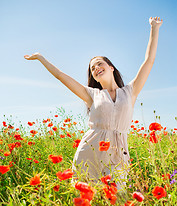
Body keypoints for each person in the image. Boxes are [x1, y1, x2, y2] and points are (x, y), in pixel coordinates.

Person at [24, 16, 163, 191]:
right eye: (92, 69)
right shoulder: (92, 94)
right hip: (90, 152)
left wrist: (154, 28)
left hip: (118, 154)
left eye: (99, 64)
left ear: (111, 67)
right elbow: (61, 75)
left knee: (117, 198)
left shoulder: (131, 91)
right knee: (89, 200)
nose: (96, 68)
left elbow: (149, 61)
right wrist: (41, 58)